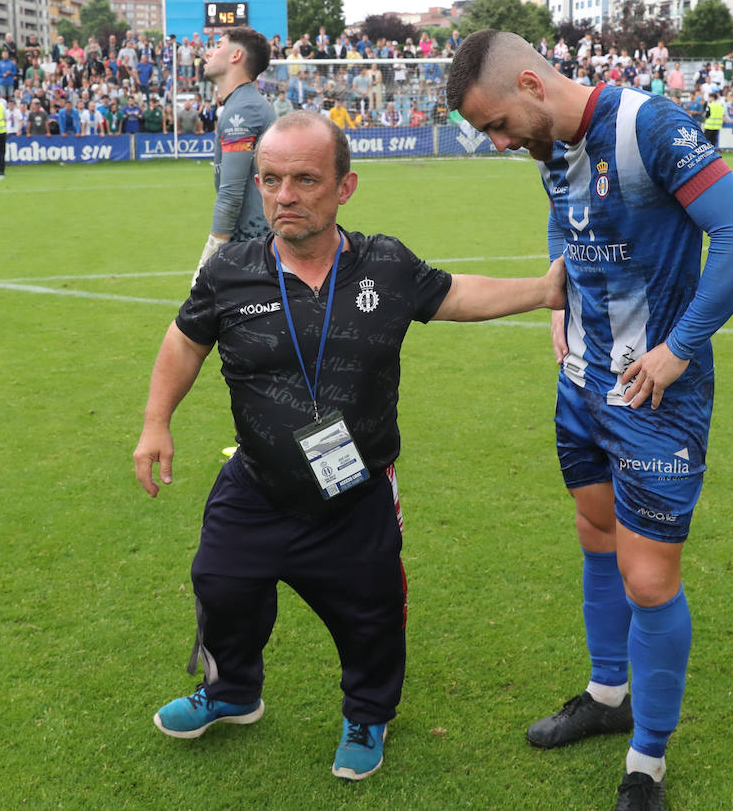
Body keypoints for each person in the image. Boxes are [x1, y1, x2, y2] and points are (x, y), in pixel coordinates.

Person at [132, 110, 568, 782]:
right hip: (256, 486)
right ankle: (231, 693)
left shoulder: (384, 264)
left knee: (370, 616)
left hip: (356, 491)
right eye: (271, 180)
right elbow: (184, 341)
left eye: (305, 179)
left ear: (345, 187)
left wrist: (542, 291)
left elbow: (455, 295)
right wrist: (156, 421)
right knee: (220, 585)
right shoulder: (230, 273)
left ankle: (366, 714)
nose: (285, 196)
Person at [446, 31, 733, 811]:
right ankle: (606, 692)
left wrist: (680, 348)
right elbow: (565, 219)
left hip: (655, 397)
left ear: (530, 81)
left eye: (496, 124)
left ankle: (646, 765)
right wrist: (558, 287)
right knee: (595, 536)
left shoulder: (649, 126)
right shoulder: (550, 148)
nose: (495, 142)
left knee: (649, 578)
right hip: (582, 384)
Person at [192, 26, 277, 284]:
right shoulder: (244, 104)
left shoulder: (244, 109)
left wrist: (209, 256)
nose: (209, 53)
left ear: (236, 56)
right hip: (256, 248)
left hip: (252, 251)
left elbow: (230, 194)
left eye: (218, 45)